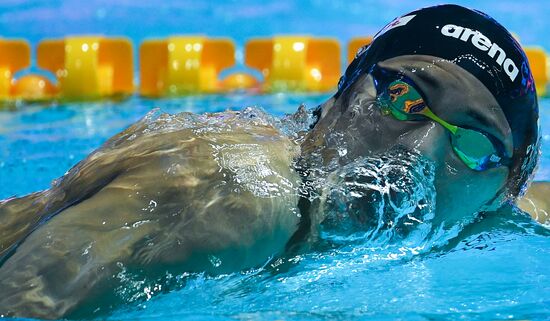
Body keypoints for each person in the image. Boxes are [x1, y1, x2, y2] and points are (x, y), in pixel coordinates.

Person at [0, 4, 541, 319]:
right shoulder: (233, 191)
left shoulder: (485, 212)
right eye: (403, 99)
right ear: (339, 97)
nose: (416, 150)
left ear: (502, 190)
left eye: (472, 145)